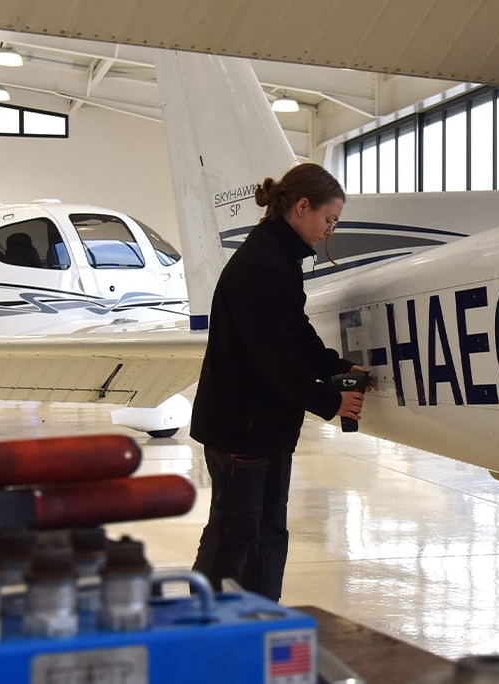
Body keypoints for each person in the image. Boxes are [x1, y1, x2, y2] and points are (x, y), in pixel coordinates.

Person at [190, 162, 369, 602]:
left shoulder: (278, 258)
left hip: (265, 428)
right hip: (241, 427)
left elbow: (293, 330)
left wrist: (335, 366)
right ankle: (200, 632)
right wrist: (329, 401)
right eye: (329, 219)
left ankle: (258, 619)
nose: (330, 230)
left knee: (267, 532)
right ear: (302, 207)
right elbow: (273, 357)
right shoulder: (262, 264)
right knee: (234, 536)